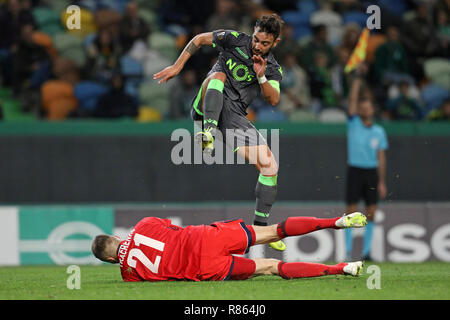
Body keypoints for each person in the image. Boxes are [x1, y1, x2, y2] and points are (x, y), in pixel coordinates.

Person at [153, 14, 285, 251]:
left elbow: (273, 99)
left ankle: (260, 229)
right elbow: (200, 39)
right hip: (206, 106)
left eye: (264, 43)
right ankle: (208, 132)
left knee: (270, 166)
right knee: (218, 75)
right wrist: (177, 66)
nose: (257, 45)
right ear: (252, 33)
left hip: (233, 118)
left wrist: (261, 75)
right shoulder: (234, 39)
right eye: (256, 39)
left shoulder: (273, 68)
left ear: (275, 43)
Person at [91, 212, 367, 282]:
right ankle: (337, 220)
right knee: (274, 231)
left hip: (205, 267)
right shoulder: (143, 224)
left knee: (272, 267)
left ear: (110, 260)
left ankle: (342, 268)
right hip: (207, 237)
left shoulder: (127, 273)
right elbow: (168, 226)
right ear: (116, 238)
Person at [345, 63, 388, 261]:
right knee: (350, 213)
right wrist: (357, 78)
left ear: (372, 110)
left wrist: (381, 181)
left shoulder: (379, 131)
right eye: (361, 107)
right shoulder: (353, 123)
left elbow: (381, 158)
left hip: (371, 173)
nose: (364, 109)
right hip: (355, 171)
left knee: (371, 213)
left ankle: (366, 252)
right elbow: (352, 100)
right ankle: (347, 251)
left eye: (367, 106)